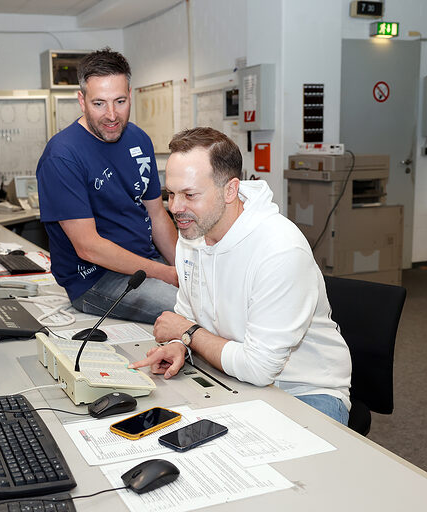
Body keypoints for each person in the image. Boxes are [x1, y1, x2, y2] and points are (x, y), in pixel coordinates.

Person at [129, 127, 352, 425]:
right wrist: (178, 345)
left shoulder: (279, 248)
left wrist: (188, 334)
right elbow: (188, 313)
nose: (175, 208)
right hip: (234, 380)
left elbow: (259, 368)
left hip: (305, 393)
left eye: (189, 194)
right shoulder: (193, 232)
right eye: (170, 193)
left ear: (230, 190)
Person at [36, 48, 178, 324]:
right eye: (99, 103)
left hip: (146, 265)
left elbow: (157, 214)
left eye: (120, 101)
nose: (112, 115)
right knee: (192, 311)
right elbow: (89, 247)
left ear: (130, 96)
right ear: (82, 100)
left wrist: (181, 268)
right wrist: (166, 275)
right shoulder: (62, 156)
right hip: (96, 280)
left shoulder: (139, 139)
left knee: (218, 298)